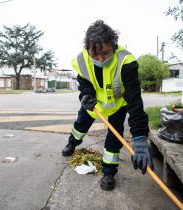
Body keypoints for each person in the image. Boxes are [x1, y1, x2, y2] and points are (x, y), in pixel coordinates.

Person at [62, 20, 154, 191]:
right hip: (94, 105)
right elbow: (84, 83)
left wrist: (140, 137)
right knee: (80, 125)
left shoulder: (125, 61)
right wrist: (86, 96)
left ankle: (109, 172)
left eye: (105, 53)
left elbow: (135, 101)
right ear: (87, 49)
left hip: (117, 105)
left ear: (113, 44)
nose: (101, 58)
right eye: (94, 55)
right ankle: (72, 143)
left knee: (114, 135)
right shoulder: (82, 60)